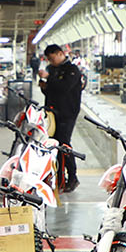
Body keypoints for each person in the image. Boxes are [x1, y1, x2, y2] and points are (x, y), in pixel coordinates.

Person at [38, 43, 84, 191]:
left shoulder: (72, 70)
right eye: (49, 60)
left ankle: (73, 177)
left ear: (60, 54)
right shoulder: (52, 69)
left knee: (64, 144)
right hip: (52, 113)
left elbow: (64, 88)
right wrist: (44, 87)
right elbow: (53, 91)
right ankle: (59, 177)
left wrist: (49, 78)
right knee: (53, 144)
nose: (51, 62)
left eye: (52, 58)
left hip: (67, 113)